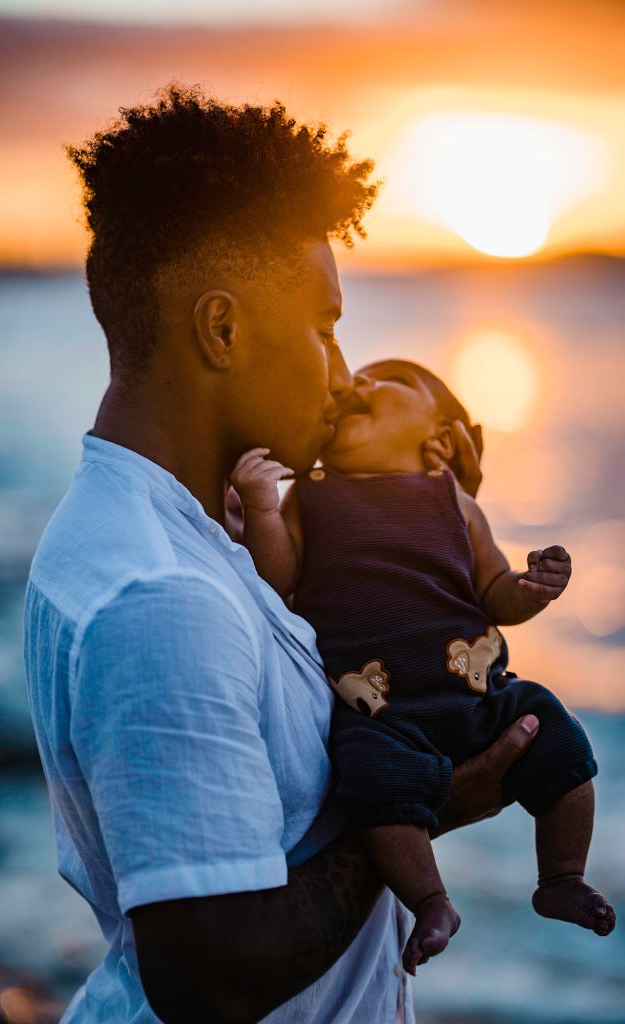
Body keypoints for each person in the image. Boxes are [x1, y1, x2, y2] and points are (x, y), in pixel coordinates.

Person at [24, 85, 542, 1024]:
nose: (344, 376)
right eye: (325, 327)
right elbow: (209, 972)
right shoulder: (161, 594)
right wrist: (429, 796)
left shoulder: (190, 532)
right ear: (222, 329)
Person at [231, 358, 616, 979]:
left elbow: (494, 588)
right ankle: (430, 900)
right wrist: (263, 510)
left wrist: (532, 587)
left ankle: (561, 875)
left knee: (558, 734)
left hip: (479, 695)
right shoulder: (314, 496)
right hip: (380, 711)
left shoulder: (452, 500)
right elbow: (277, 581)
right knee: (373, 786)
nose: (352, 384)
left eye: (383, 383)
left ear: (437, 439)